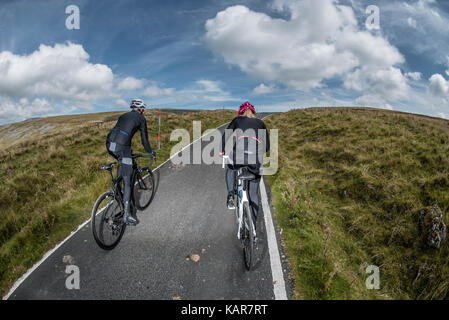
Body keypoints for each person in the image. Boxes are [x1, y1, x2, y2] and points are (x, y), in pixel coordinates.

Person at [106, 98, 155, 225]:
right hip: (122, 147)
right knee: (128, 182)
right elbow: (144, 140)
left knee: (123, 161)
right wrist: (150, 152)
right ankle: (126, 216)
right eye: (143, 109)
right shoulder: (141, 119)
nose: (143, 111)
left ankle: (117, 190)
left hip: (110, 144)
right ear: (139, 109)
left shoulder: (123, 116)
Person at [220, 101, 270, 225]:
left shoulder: (237, 120)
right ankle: (253, 228)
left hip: (239, 155)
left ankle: (231, 196)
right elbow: (267, 146)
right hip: (256, 159)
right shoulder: (261, 123)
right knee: (253, 193)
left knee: (231, 168)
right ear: (253, 112)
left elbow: (226, 135)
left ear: (241, 112)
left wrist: (222, 150)